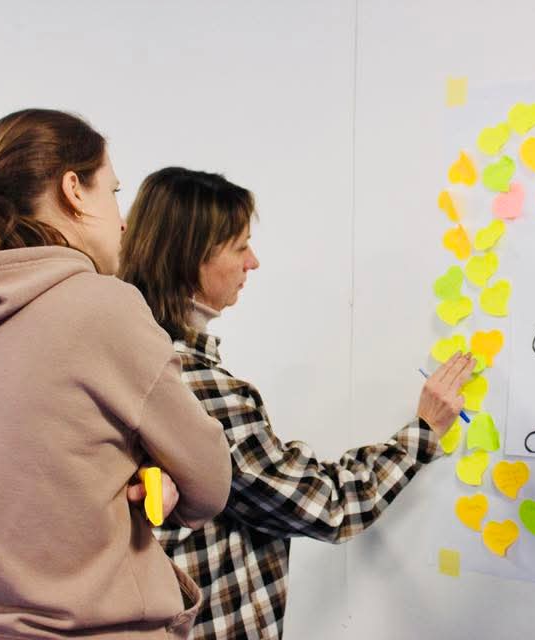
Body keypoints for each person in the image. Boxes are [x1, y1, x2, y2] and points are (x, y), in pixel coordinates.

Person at [0, 110, 232, 640]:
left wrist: (134, 465)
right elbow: (211, 480)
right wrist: (158, 468)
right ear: (73, 189)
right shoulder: (101, 305)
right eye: (114, 192)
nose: (123, 221)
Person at [119, 167, 472, 640]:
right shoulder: (195, 387)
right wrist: (424, 431)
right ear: (192, 256)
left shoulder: (125, 353)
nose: (253, 262)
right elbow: (329, 506)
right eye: (240, 246)